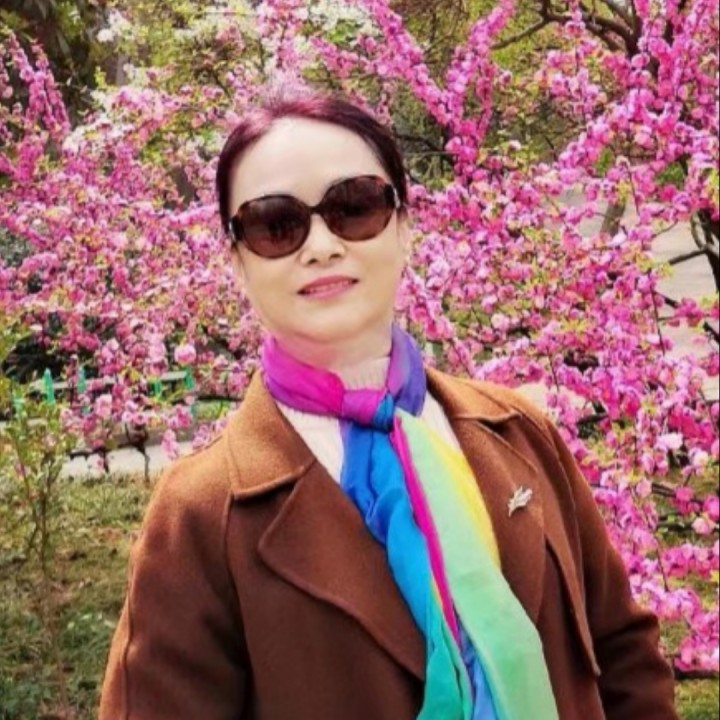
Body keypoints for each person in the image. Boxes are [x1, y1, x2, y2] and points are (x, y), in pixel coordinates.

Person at [99, 84, 677, 720]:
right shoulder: (204, 512)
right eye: (276, 224)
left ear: (403, 227)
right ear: (237, 261)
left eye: (354, 206)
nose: (322, 245)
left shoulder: (519, 433)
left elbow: (626, 659)